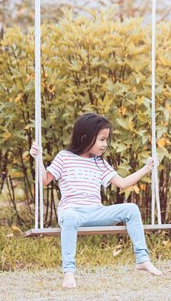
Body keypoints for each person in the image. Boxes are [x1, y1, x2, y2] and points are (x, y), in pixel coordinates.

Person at [30, 112, 162, 289]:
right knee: (68, 216)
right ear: (86, 137)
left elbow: (122, 183)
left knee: (131, 209)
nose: (105, 145)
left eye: (106, 140)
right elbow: (45, 180)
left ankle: (142, 259)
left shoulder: (99, 162)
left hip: (96, 211)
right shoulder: (64, 157)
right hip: (73, 212)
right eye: (101, 139)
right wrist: (38, 159)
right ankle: (69, 271)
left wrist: (147, 168)